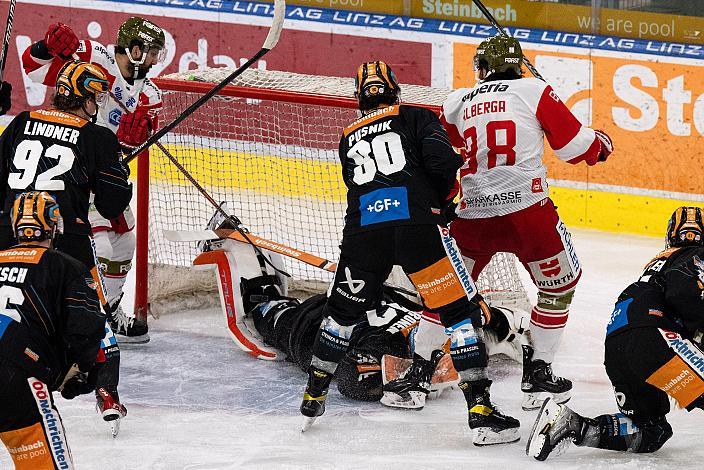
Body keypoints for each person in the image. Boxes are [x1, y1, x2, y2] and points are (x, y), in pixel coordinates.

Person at [297, 60, 521, 445]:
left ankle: (314, 395)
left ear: (359, 99)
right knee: (457, 316)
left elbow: (357, 185)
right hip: (417, 228)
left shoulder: (347, 136)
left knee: (341, 316)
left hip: (364, 234)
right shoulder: (416, 115)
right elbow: (443, 163)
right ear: (396, 91)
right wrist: (442, 205)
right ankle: (481, 412)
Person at [437, 35, 614, 410]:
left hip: (471, 217)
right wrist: (600, 144)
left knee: (444, 292)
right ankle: (537, 375)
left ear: (481, 70)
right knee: (559, 285)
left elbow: (441, 151)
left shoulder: (455, 101)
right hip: (527, 215)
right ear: (518, 66)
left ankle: (416, 375)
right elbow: (576, 148)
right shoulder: (535, 89)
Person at [205, 239, 530, 402]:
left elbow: (488, 321)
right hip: (312, 325)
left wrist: (503, 327)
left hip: (360, 307)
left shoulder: (432, 321)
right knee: (276, 316)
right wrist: (425, 376)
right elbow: (351, 378)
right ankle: (264, 296)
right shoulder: (393, 341)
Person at [0, 61, 132, 434]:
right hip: (65, 244)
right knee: (97, 319)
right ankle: (106, 392)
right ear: (87, 97)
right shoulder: (97, 137)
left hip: (7, 234)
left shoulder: (23, 121)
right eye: (96, 96)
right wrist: (118, 164)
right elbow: (111, 205)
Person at [22, 18, 166, 342]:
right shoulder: (94, 58)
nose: (157, 60)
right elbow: (32, 66)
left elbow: (135, 145)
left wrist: (131, 143)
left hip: (103, 176)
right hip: (74, 171)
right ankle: (81, 315)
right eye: (153, 52)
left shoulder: (151, 94)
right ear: (136, 49)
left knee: (124, 241)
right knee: (96, 245)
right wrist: (48, 47)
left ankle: (109, 311)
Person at [526, 206, 704, 460]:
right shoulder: (696, 255)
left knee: (650, 431)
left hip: (619, 344)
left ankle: (570, 425)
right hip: (653, 337)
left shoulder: (659, 263)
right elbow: (683, 295)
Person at [0, 191, 106, 469]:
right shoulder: (66, 266)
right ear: (54, 226)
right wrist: (77, 369)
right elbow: (85, 329)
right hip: (16, 376)